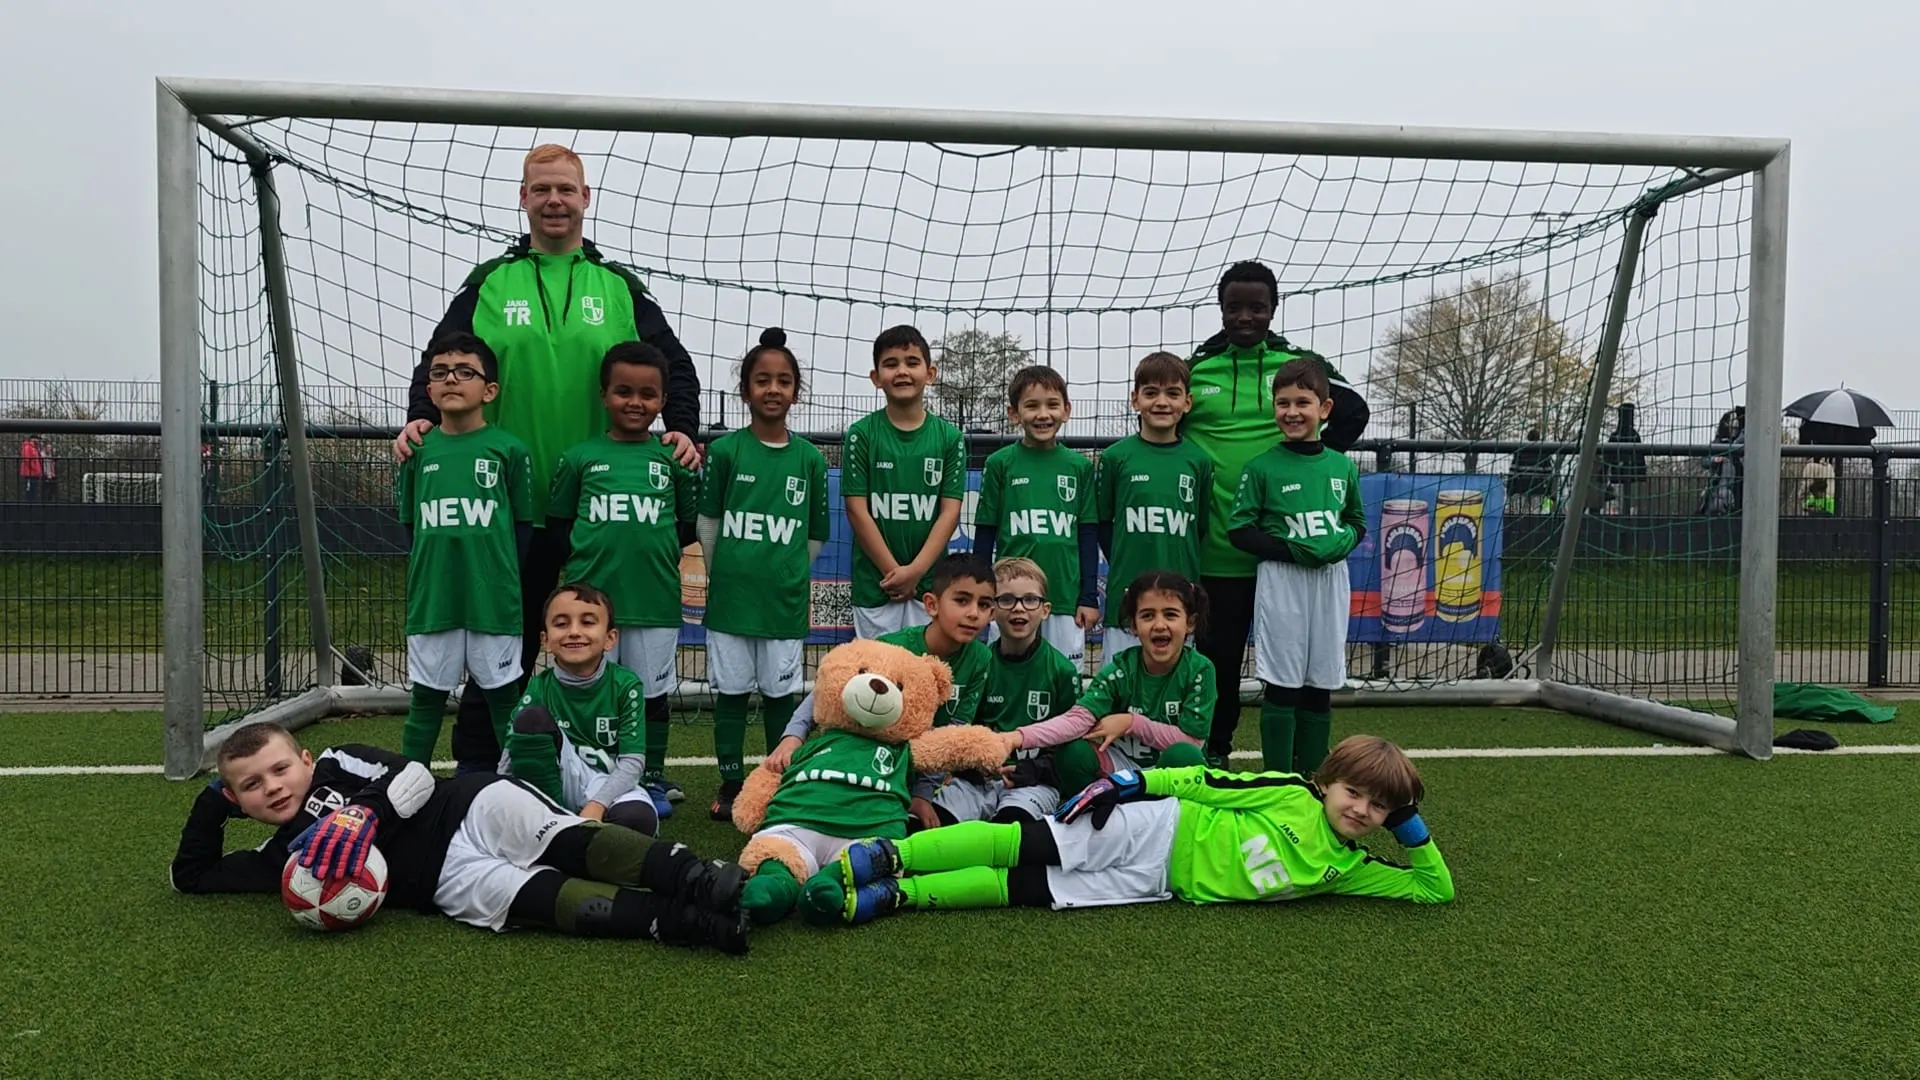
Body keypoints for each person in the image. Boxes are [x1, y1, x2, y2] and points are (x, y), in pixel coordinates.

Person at [393, 143, 703, 776]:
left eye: (566, 189)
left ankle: (621, 769)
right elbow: (440, 360)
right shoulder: (488, 282)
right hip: (510, 511)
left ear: (585, 199)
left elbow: (674, 366)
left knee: (609, 646)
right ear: (524, 198)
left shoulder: (619, 287)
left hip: (599, 511)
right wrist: (418, 418)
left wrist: (684, 431)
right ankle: (482, 769)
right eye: (542, 190)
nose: (554, 200)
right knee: (504, 643)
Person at [170, 721, 749, 952]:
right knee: (554, 903)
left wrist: (362, 816)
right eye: (248, 786)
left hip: (466, 808)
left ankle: (696, 878)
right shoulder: (284, 860)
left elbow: (416, 776)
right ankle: (685, 923)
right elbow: (189, 876)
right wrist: (209, 802)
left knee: (569, 842)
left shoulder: (337, 761)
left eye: (278, 769)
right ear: (238, 801)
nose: (270, 788)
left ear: (303, 757)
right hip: (444, 882)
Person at [829, 734, 1452, 923]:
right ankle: (891, 854)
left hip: (1156, 882)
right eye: (1355, 793)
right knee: (1027, 841)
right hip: (1160, 829)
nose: (1361, 810)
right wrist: (1132, 783)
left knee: (1028, 889)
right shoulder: (1293, 794)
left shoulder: (1352, 869)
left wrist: (1412, 829)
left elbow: (1434, 891)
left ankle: (900, 894)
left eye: (1379, 808)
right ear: (1327, 782)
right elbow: (1207, 782)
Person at [1183, 260, 1368, 763]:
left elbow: (1352, 410)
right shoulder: (1198, 369)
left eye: (1257, 307)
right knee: (1217, 660)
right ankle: (1215, 751)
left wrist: (1308, 470)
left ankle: (1299, 770)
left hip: (1290, 564)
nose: (1245, 317)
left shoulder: (1296, 363)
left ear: (1273, 310)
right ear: (1220, 310)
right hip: (1220, 549)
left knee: (1297, 672)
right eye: (1234, 307)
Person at [547, 341, 699, 813]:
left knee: (651, 695)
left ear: (662, 400)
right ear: (603, 394)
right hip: (591, 604)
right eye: (623, 392)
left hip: (653, 599)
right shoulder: (579, 457)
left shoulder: (674, 459)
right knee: (587, 689)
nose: (635, 403)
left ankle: (651, 778)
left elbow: (687, 525)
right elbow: (560, 525)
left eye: (648, 394)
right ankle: (577, 775)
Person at [697, 328, 830, 821]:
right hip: (733, 601)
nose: (773, 389)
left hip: (783, 602)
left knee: (780, 696)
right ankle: (732, 784)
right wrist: (726, 573)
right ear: (745, 390)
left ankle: (777, 781)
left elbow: (815, 534)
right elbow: (708, 521)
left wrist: (787, 572)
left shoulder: (810, 458)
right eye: (762, 380)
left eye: (784, 381)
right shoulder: (728, 451)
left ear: (796, 391)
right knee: (730, 695)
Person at [764, 552, 997, 830]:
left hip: (918, 763)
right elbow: (832, 688)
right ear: (932, 605)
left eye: (984, 605)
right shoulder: (891, 647)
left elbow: (954, 732)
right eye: (962, 600)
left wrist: (923, 795)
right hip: (867, 755)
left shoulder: (981, 658)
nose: (973, 613)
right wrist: (793, 736)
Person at [395, 333, 534, 767]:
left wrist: (502, 577)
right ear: (429, 388)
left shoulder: (508, 450)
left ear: (489, 390)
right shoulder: (416, 450)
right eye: (440, 372)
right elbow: (410, 526)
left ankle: (518, 784)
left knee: (502, 696)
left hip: (492, 597)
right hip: (435, 598)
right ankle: (404, 787)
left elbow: (523, 528)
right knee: (426, 699)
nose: (451, 379)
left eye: (465, 372)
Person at [1227, 357, 1366, 776]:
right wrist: (1292, 550)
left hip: (1329, 580)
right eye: (1283, 403)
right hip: (1282, 581)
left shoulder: (1342, 465)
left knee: (1320, 680)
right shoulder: (1262, 467)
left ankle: (1312, 776)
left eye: (1302, 402)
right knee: (1283, 681)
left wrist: (1345, 541)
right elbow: (1240, 530)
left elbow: (1357, 522)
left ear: (1324, 409)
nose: (1292, 412)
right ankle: (1278, 779)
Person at [997, 570, 1212, 795]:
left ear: (1190, 623)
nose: (1159, 625)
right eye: (1147, 616)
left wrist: (1131, 723)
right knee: (1075, 753)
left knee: (1184, 755)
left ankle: (1176, 821)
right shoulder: (1120, 669)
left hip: (1167, 772)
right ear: (1134, 626)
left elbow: (1193, 743)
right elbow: (1078, 720)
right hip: (1121, 768)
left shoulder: (1200, 670)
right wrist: (1017, 737)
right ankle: (1090, 818)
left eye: (1170, 615)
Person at [502, 583, 659, 836]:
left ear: (610, 638)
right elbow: (513, 746)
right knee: (531, 720)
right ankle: (555, 817)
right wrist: (498, 791)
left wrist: (598, 804)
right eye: (561, 624)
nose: (574, 632)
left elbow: (632, 761)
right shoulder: (539, 687)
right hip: (557, 780)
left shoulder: (626, 684)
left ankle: (563, 832)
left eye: (587, 622)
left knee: (639, 820)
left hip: (608, 783)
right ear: (545, 640)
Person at [938, 557, 1084, 825]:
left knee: (1011, 830)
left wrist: (1035, 770)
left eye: (1030, 600)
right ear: (993, 610)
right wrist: (972, 766)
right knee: (935, 822)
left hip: (1033, 782)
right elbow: (962, 729)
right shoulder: (978, 663)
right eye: (1006, 600)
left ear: (1046, 609)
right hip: (978, 780)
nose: (1019, 609)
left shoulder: (1062, 671)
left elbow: (1073, 744)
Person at [843, 325, 966, 639]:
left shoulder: (950, 438)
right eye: (891, 363)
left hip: (927, 588)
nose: (902, 371)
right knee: (874, 681)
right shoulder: (861, 434)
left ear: (930, 373)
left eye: (912, 362)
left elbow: (949, 514)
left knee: (923, 679)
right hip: (877, 587)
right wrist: (894, 573)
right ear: (876, 377)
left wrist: (916, 572)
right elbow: (857, 511)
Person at [971, 366, 1099, 667]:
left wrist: (1089, 597)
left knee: (1064, 681)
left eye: (1052, 404)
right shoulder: (1000, 464)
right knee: (1003, 675)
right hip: (1010, 600)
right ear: (1014, 413)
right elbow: (985, 533)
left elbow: (1087, 536)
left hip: (1064, 599)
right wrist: (982, 594)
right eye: (1032, 405)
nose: (1043, 414)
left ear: (1066, 410)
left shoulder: (1078, 467)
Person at [1093, 352, 1214, 656]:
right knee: (1123, 690)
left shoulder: (1199, 461)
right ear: (1135, 400)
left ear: (1187, 402)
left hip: (1180, 594)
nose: (1161, 402)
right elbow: (1103, 525)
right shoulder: (1115, 458)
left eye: (1172, 393)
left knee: (1173, 688)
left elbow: (1198, 527)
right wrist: (1126, 564)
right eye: (1151, 393)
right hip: (1128, 591)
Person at [1508, 428, 1555, 515]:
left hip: (1521, 488)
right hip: (1538, 488)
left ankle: (1521, 527)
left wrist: (1510, 490)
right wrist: (1548, 492)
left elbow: (1513, 472)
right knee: (1535, 513)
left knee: (1519, 513)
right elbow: (1549, 474)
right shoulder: (1544, 452)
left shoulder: (1520, 451)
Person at [18, 435, 47, 501]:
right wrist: (35, 469)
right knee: (30, 491)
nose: (38, 441)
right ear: (32, 439)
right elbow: (27, 460)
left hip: (34, 473)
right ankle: (28, 506)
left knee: (34, 490)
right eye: (37, 439)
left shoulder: (34, 448)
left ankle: (31, 504)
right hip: (30, 473)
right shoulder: (27, 447)